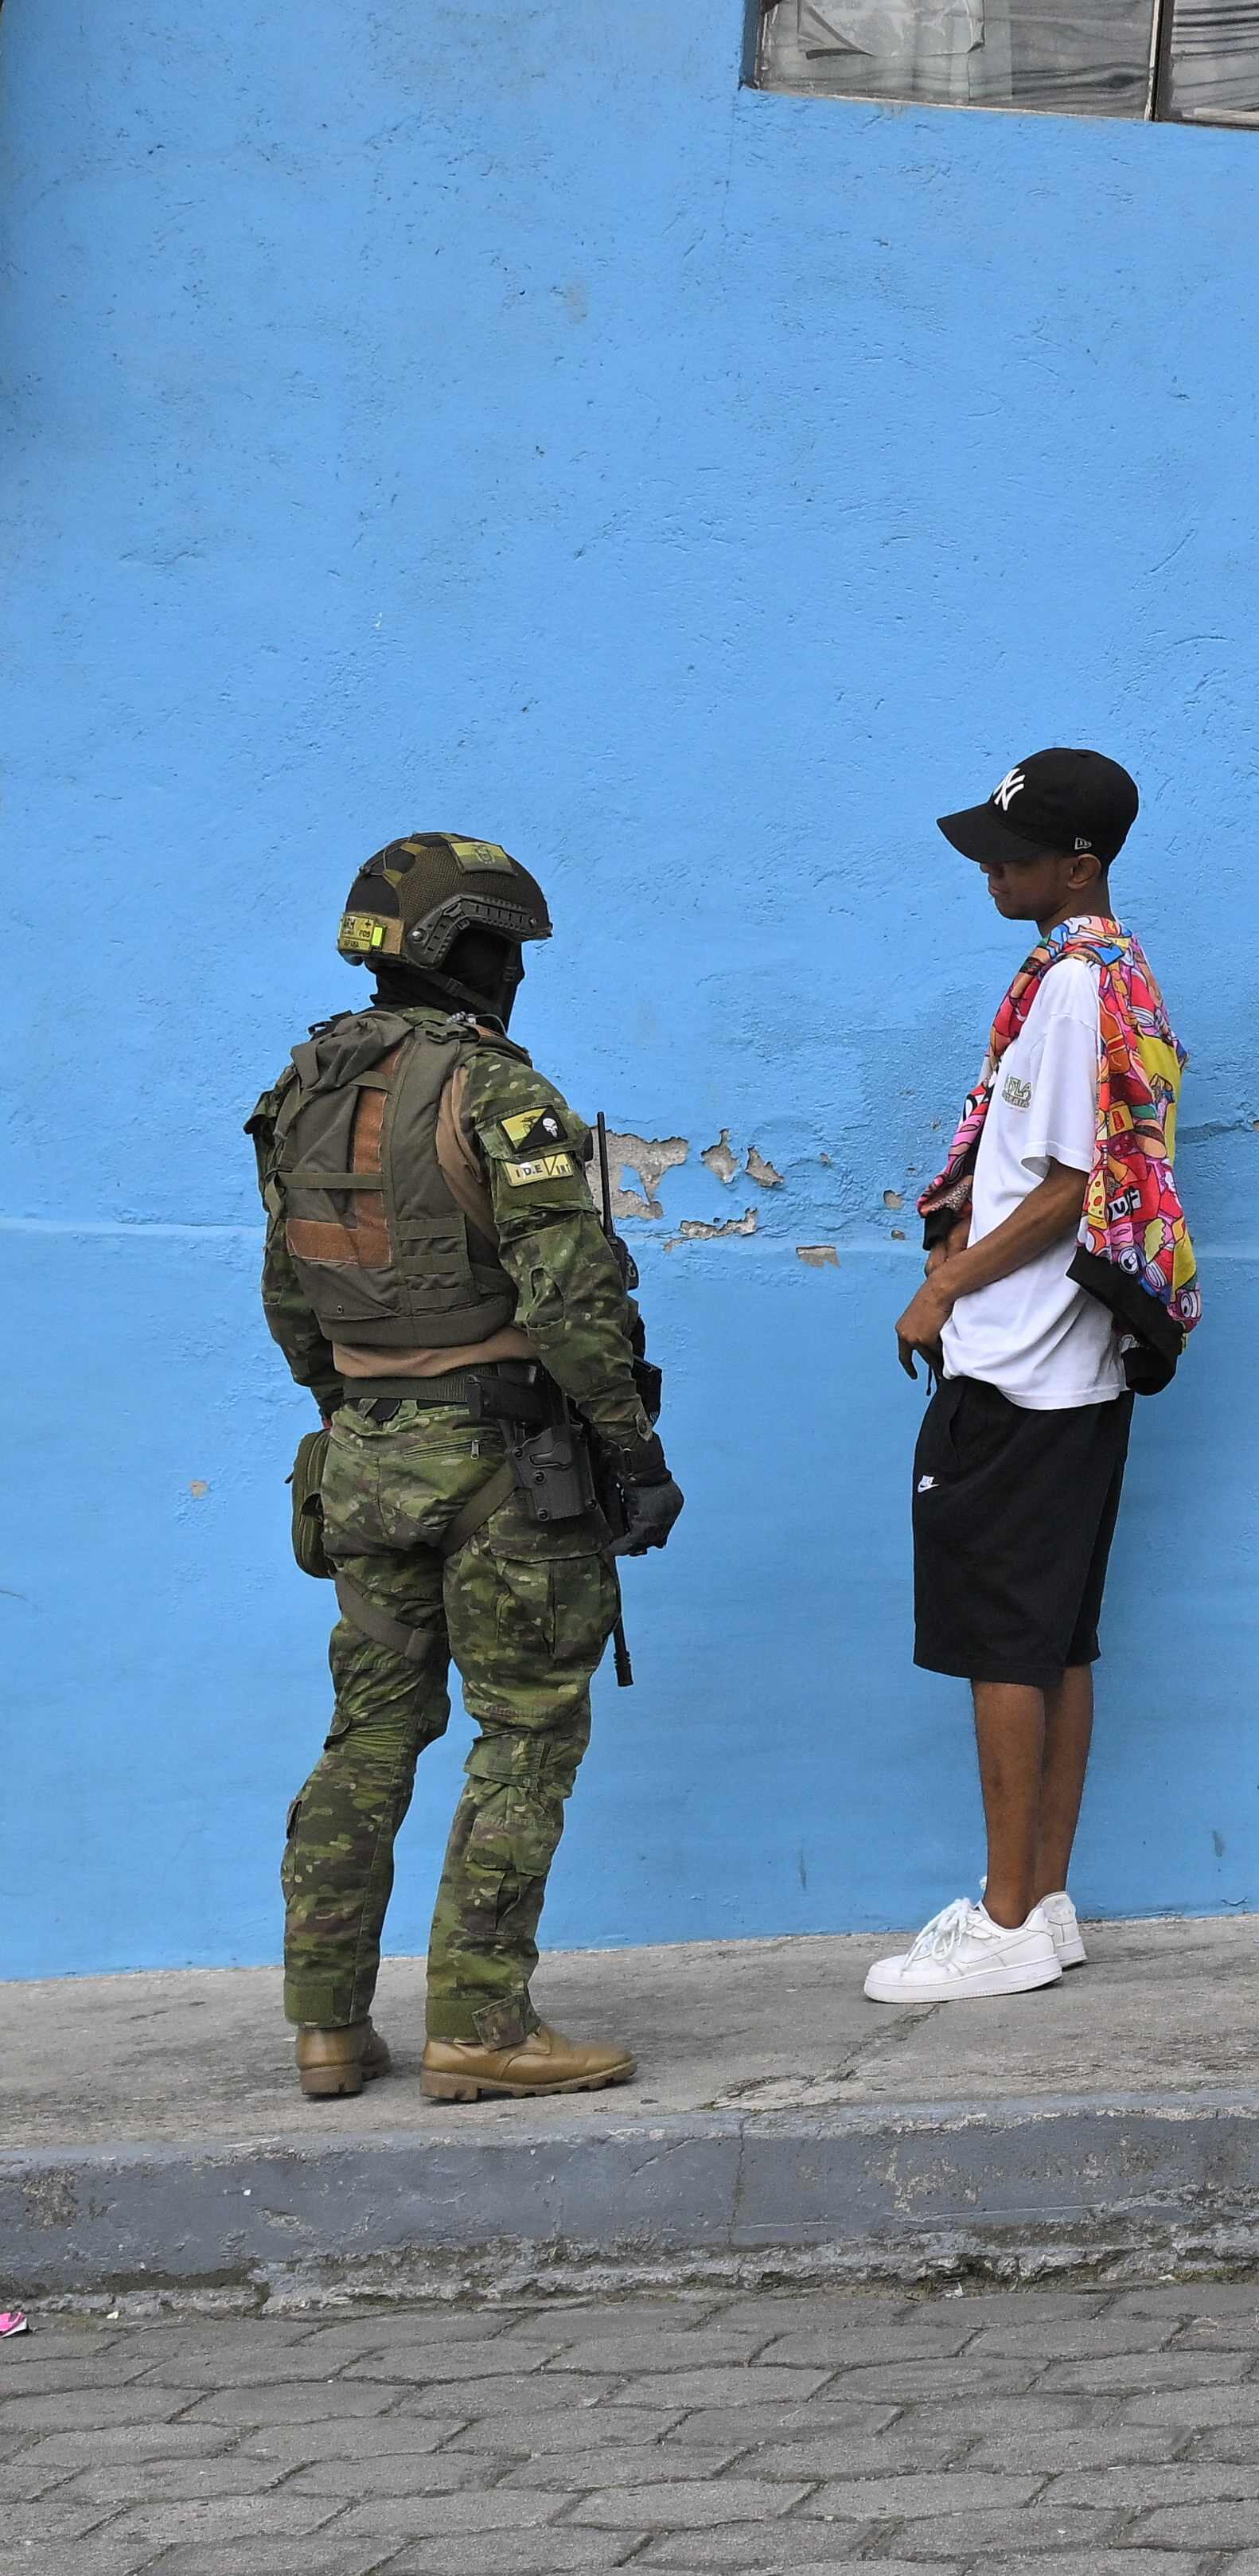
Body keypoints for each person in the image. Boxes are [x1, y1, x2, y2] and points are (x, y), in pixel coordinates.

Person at [255, 833, 683, 2102]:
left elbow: (288, 1295)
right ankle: (482, 2025)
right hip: (502, 1454)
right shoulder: (497, 1092)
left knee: (368, 1733)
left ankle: (327, 2025)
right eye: (505, 945)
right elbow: (570, 1293)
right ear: (467, 950)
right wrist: (632, 1449)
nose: (515, 972)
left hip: (363, 1451)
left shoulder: (306, 1087)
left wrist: (356, 1415)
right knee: (530, 1729)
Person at [868, 747, 1195, 2004]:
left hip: (1015, 1361)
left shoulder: (1073, 988)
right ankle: (1044, 1903)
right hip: (1073, 1368)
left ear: (1081, 862)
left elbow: (1070, 1185)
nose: (991, 872)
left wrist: (946, 1283)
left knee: (1005, 1642)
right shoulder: (1112, 977)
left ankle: (1003, 1917)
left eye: (1011, 856)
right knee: (1055, 1641)